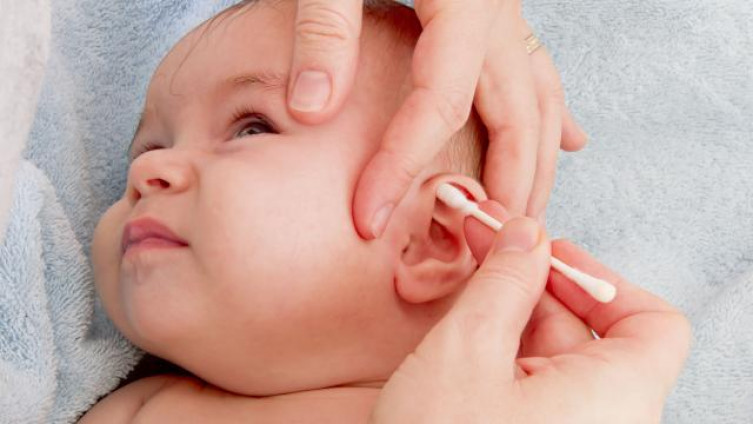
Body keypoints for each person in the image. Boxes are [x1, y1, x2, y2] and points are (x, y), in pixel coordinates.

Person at [80, 1, 690, 422]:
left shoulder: (503, 409)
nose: (147, 173)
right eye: (149, 148)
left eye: (251, 128)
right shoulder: (132, 407)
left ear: (432, 238)